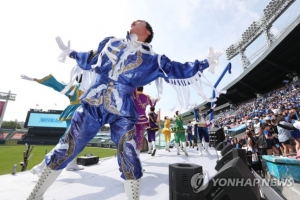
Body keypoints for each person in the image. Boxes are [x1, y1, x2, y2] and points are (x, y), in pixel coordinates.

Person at [27, 20, 223, 200]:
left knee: (129, 154)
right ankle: (36, 195)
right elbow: (92, 59)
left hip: (123, 111)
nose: (131, 23)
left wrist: (206, 62)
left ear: (146, 31)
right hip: (93, 102)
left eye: (137, 22)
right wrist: (71, 53)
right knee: (67, 146)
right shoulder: (110, 42)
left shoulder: (155, 60)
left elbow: (179, 69)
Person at [20, 73, 84, 176]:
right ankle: (40, 167)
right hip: (77, 114)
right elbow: (56, 84)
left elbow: (56, 84)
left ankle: (71, 163)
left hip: (79, 114)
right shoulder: (77, 88)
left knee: (75, 141)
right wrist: (34, 78)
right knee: (67, 141)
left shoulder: (80, 88)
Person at [133, 87, 158, 156]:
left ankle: (131, 151)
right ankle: (137, 152)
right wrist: (155, 100)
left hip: (133, 118)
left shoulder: (133, 95)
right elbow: (152, 104)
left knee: (131, 134)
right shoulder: (146, 97)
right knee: (140, 135)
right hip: (143, 119)